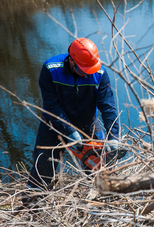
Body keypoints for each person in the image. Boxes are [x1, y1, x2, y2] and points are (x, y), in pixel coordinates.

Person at [25, 37, 120, 193]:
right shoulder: (51, 69)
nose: (86, 74)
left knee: (102, 170)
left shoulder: (100, 73)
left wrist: (114, 137)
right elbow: (51, 106)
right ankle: (33, 205)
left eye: (91, 70)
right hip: (53, 125)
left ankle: (103, 202)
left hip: (88, 125)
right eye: (84, 70)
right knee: (42, 169)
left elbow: (108, 107)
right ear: (71, 60)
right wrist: (70, 131)